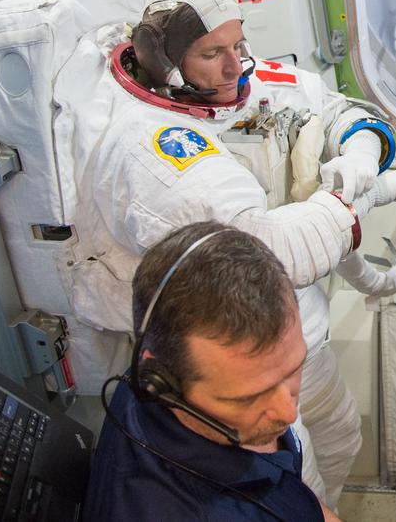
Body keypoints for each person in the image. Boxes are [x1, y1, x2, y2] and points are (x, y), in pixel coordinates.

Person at [63, 0, 396, 509]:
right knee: (295, 486)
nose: (235, 65)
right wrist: (372, 192)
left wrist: (362, 148)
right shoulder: (155, 147)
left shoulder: (254, 80)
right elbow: (263, 251)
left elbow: (336, 110)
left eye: (238, 45)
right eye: (212, 54)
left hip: (299, 338)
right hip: (237, 366)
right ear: (165, 64)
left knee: (340, 439)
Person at [86, 222, 341, 521]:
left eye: (293, 370)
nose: (287, 412)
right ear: (164, 384)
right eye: (248, 398)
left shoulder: (160, 382)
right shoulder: (194, 511)